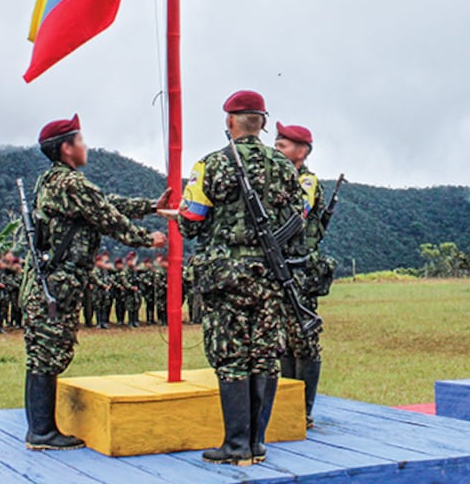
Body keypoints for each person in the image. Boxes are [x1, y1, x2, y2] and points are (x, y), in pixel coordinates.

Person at [167, 90, 303, 465]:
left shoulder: (211, 164)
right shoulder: (285, 167)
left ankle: (235, 444)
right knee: (265, 357)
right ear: (262, 123)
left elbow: (191, 222)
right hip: (270, 275)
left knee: (231, 357)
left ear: (230, 121)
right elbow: (298, 219)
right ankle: (256, 443)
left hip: (226, 276)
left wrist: (181, 215)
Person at [23, 114, 168, 450]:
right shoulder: (72, 184)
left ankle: (40, 429)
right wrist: (147, 238)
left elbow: (104, 203)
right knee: (47, 353)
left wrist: (150, 206)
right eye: (80, 141)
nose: (85, 146)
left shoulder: (50, 181)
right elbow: (107, 217)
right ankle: (42, 432)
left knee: (42, 352)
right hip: (60, 281)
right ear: (66, 148)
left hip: (47, 278)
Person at [273, 121, 331, 428]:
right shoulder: (276, 180)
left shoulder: (307, 182)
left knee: (304, 339)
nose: (276, 149)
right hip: (280, 267)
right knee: (284, 339)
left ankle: (303, 411)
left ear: (301, 151)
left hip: (301, 271)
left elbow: (298, 216)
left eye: (282, 145)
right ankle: (288, 406)